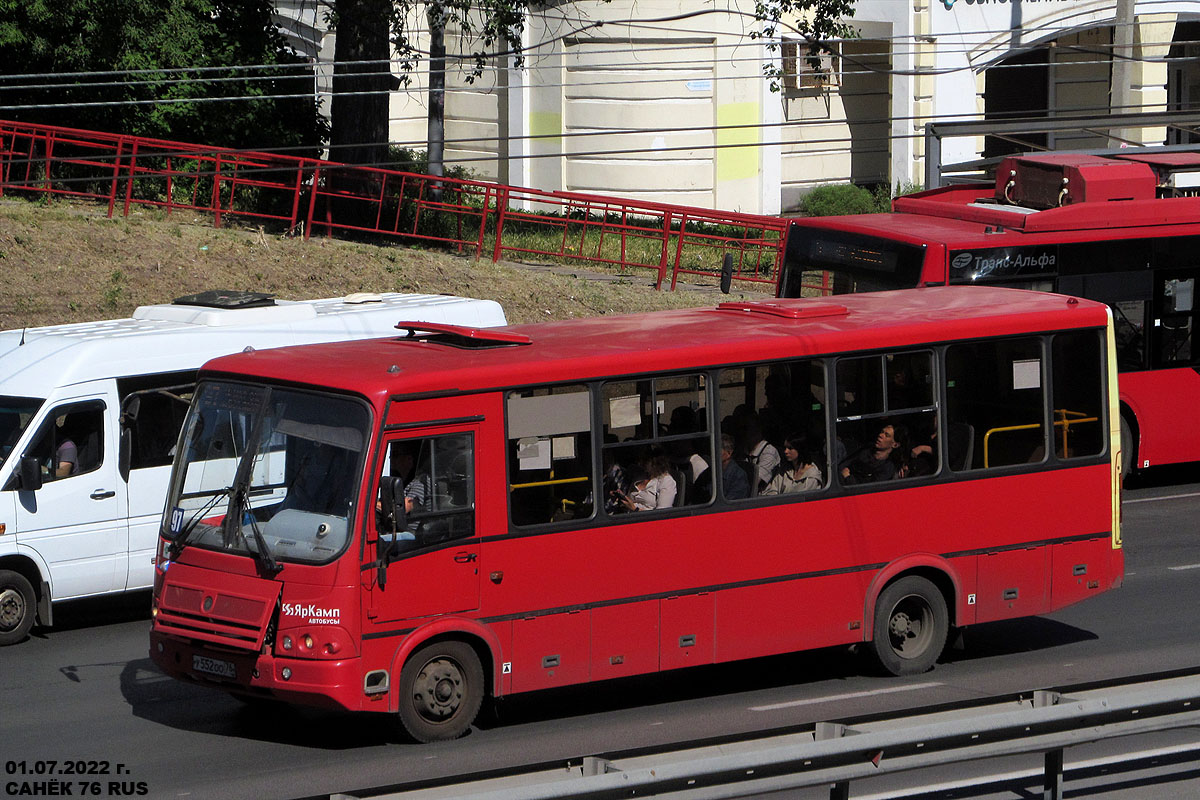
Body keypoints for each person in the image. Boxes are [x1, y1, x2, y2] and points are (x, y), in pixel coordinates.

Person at [840, 422, 907, 485]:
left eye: (886, 435)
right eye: (882, 432)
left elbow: (869, 489)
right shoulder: (867, 449)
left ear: (895, 445)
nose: (880, 435)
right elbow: (845, 463)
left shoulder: (888, 467)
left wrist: (848, 478)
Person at [744, 418, 780, 492]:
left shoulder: (769, 451)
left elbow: (755, 481)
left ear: (759, 431)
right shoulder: (744, 450)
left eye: (752, 429)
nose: (747, 432)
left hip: (765, 496)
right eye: (746, 429)